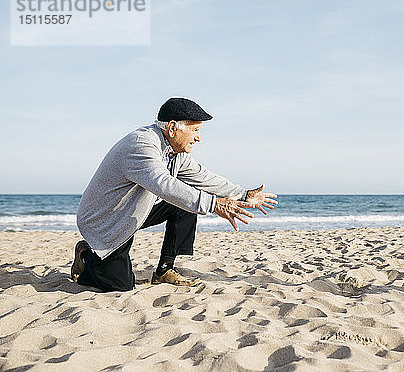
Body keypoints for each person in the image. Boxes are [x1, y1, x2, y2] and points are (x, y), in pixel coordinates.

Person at [72, 97, 278, 292]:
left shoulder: (174, 151)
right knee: (121, 285)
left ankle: (164, 270)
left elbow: (202, 177)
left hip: (129, 212)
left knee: (186, 204)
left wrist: (242, 194)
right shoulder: (141, 145)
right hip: (105, 220)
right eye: (195, 130)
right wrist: (214, 204)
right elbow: (164, 185)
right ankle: (86, 256)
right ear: (172, 128)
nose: (198, 137)